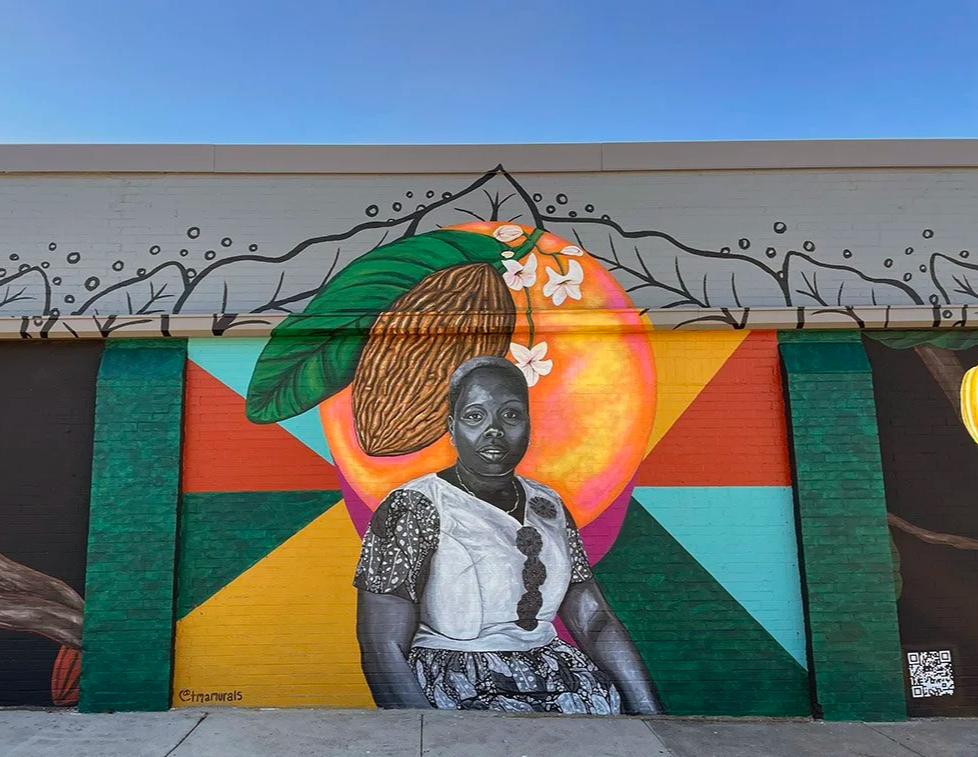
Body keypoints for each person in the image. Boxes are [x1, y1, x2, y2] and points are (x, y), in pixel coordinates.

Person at [353, 355, 662, 714]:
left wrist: (652, 715)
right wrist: (425, 734)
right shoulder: (414, 506)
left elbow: (595, 622)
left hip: (559, 680)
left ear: (529, 426)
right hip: (460, 687)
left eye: (511, 414)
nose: (494, 429)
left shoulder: (550, 505)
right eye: (474, 416)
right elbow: (380, 646)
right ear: (451, 427)